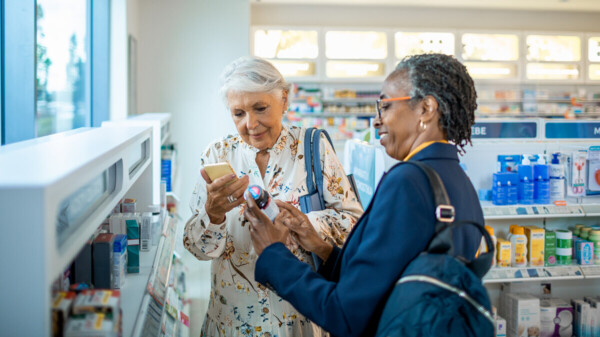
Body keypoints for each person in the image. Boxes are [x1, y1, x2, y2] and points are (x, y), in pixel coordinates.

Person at [244, 53, 484, 337]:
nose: (376, 121)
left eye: (384, 106)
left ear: (426, 108)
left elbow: (346, 315)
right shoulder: (459, 183)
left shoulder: (408, 182)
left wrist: (275, 254)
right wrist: (322, 248)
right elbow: (390, 280)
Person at [183, 56, 363, 337]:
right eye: (238, 113)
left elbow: (354, 224)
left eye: (260, 108)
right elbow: (197, 250)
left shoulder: (313, 147)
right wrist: (213, 214)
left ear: (284, 99)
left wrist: (307, 225)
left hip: (300, 319)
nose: (250, 124)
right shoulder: (217, 155)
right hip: (233, 322)